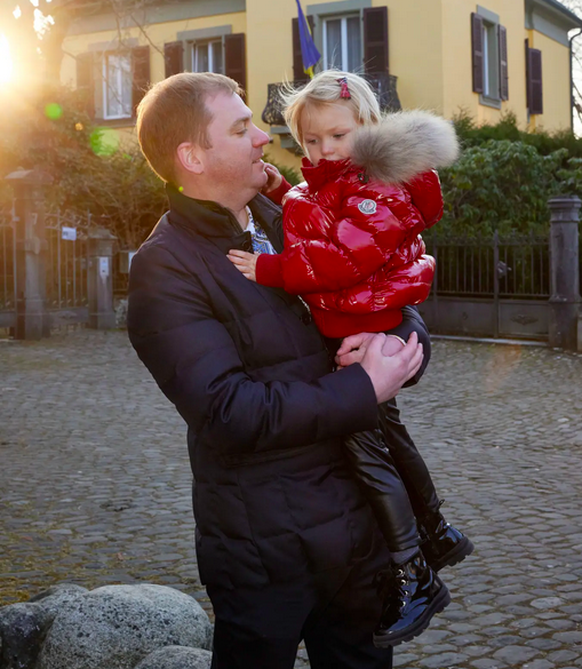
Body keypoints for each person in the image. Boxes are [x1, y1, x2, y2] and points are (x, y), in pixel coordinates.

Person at [127, 71, 430, 669]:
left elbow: (386, 294)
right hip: (264, 552)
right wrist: (365, 385)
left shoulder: (289, 212)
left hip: (356, 531)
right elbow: (229, 412)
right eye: (242, 128)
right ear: (193, 155)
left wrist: (397, 341)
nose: (265, 138)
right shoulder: (164, 271)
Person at [227, 70, 473, 647]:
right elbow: (320, 215)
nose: (324, 149)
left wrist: (270, 268)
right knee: (390, 436)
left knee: (368, 455)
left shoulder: (381, 186)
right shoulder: (337, 184)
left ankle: (416, 571)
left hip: (367, 321)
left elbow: (343, 258)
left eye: (337, 136)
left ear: (367, 127)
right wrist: (278, 189)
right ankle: (436, 532)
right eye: (311, 141)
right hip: (357, 323)